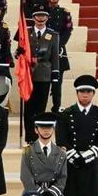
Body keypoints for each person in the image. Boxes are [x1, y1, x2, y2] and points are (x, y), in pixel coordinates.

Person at [20, 112, 70, 196]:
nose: (46, 131)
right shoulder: (28, 151)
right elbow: (25, 177)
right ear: (36, 130)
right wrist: (40, 194)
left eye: (49, 127)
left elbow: (63, 178)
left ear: (53, 129)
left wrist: (51, 195)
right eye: (42, 128)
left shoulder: (61, 152)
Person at [19, 8, 59, 141]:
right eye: (38, 16)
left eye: (43, 16)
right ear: (33, 17)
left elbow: (55, 57)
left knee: (40, 107)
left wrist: (55, 76)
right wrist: (18, 53)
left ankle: (39, 137)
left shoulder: (53, 35)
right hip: (28, 75)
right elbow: (19, 53)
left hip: (44, 74)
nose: (40, 18)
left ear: (47, 18)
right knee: (28, 108)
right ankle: (29, 137)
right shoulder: (26, 32)